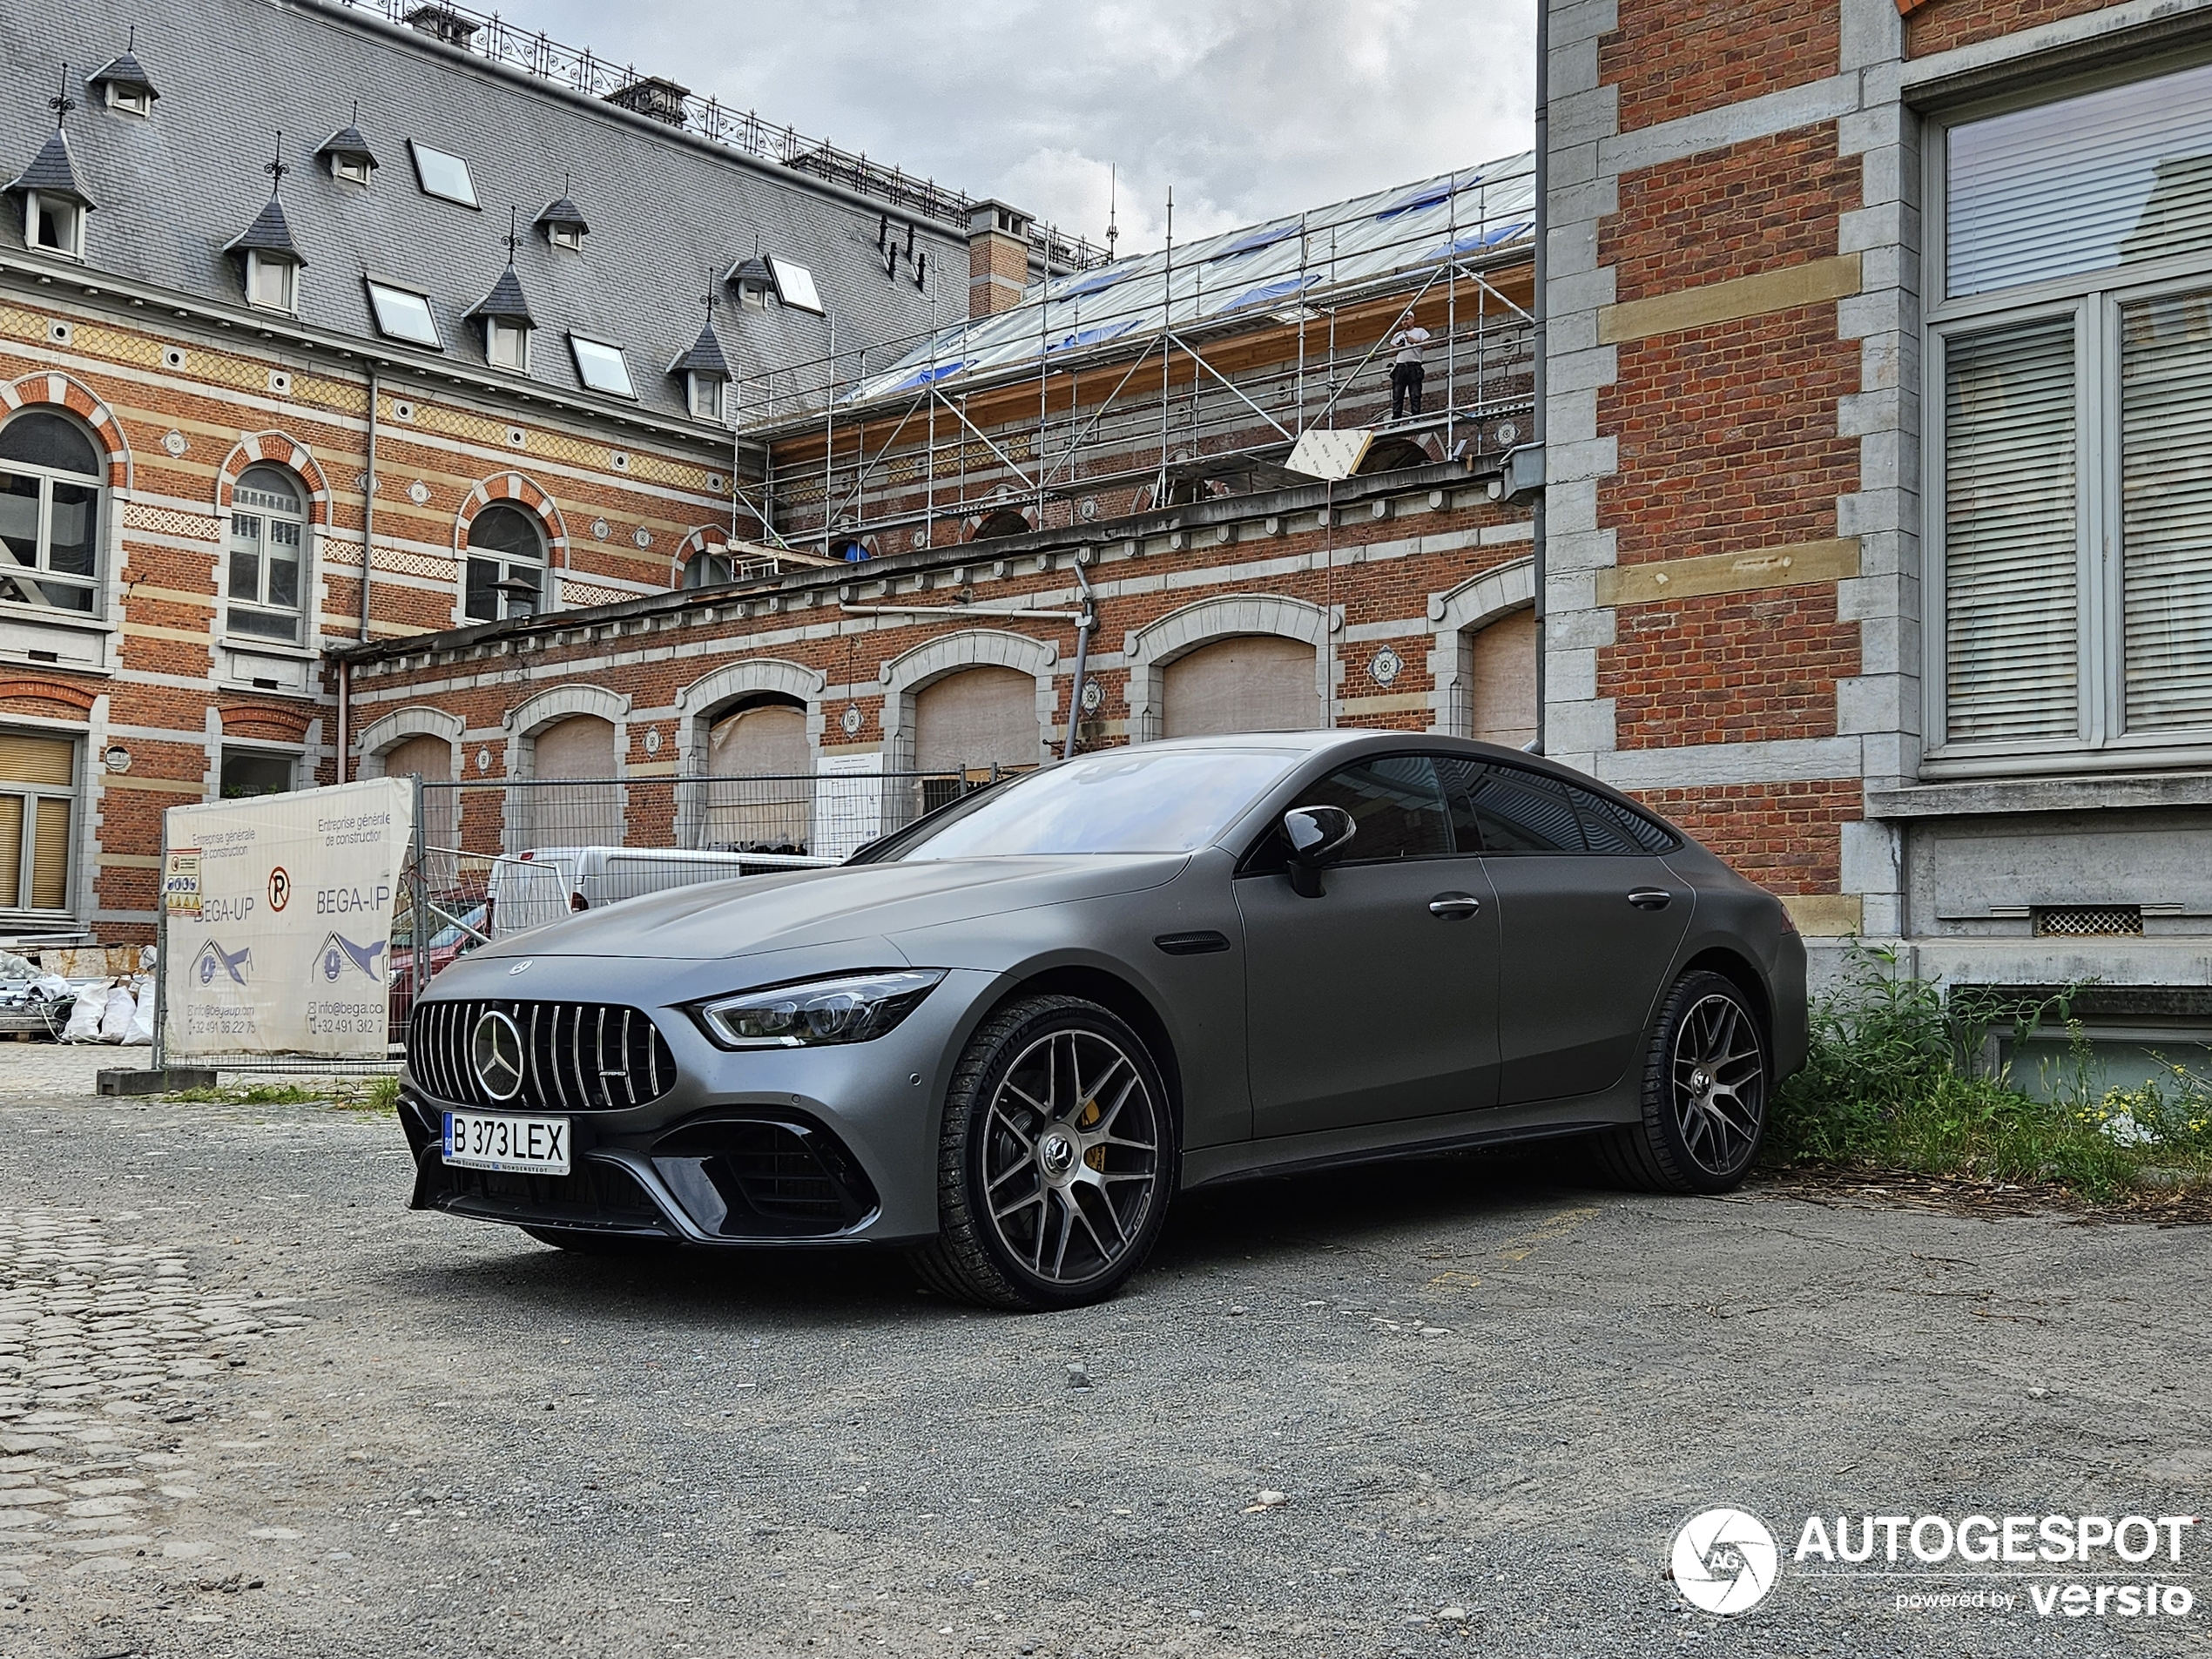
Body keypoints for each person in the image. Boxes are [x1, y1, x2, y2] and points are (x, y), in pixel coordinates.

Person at [1389, 325, 1431, 419]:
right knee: (1397, 394)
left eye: (1407, 319)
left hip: (1414, 365)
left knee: (1415, 394)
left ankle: (1415, 417)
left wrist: (1416, 341)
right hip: (1400, 366)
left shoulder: (1420, 331)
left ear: (1412, 319)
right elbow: (1391, 352)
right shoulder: (1398, 334)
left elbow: (1428, 345)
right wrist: (1398, 346)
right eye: (1403, 320)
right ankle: (1396, 419)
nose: (1405, 322)